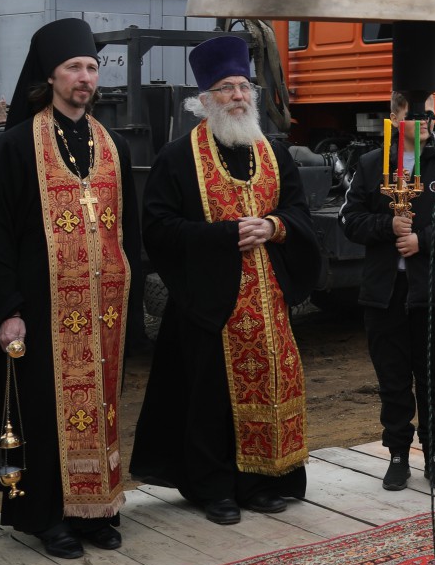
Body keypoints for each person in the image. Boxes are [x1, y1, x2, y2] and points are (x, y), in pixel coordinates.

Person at [0, 18, 139, 558]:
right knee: (43, 410)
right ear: (51, 77)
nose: (84, 78)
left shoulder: (111, 145)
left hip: (102, 313)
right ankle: (45, 516)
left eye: (90, 68)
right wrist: (6, 311)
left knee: (101, 408)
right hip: (41, 310)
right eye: (73, 68)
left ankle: (96, 509)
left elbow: (126, 229)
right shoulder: (18, 145)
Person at [130, 36, 318, 525]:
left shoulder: (274, 152)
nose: (238, 95)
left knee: (271, 388)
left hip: (268, 299)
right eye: (226, 88)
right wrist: (225, 235)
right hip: (207, 301)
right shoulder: (177, 157)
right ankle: (212, 488)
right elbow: (157, 229)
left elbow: (299, 212)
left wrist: (274, 227)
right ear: (205, 100)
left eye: (243, 86)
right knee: (209, 398)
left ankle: (261, 482)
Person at [339, 91, 435, 491]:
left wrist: (424, 239)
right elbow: (350, 219)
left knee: (434, 377)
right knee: (393, 379)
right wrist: (387, 228)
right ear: (394, 115)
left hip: (433, 293)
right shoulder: (370, 165)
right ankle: (397, 454)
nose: (422, 123)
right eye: (412, 114)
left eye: (428, 115)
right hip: (384, 293)